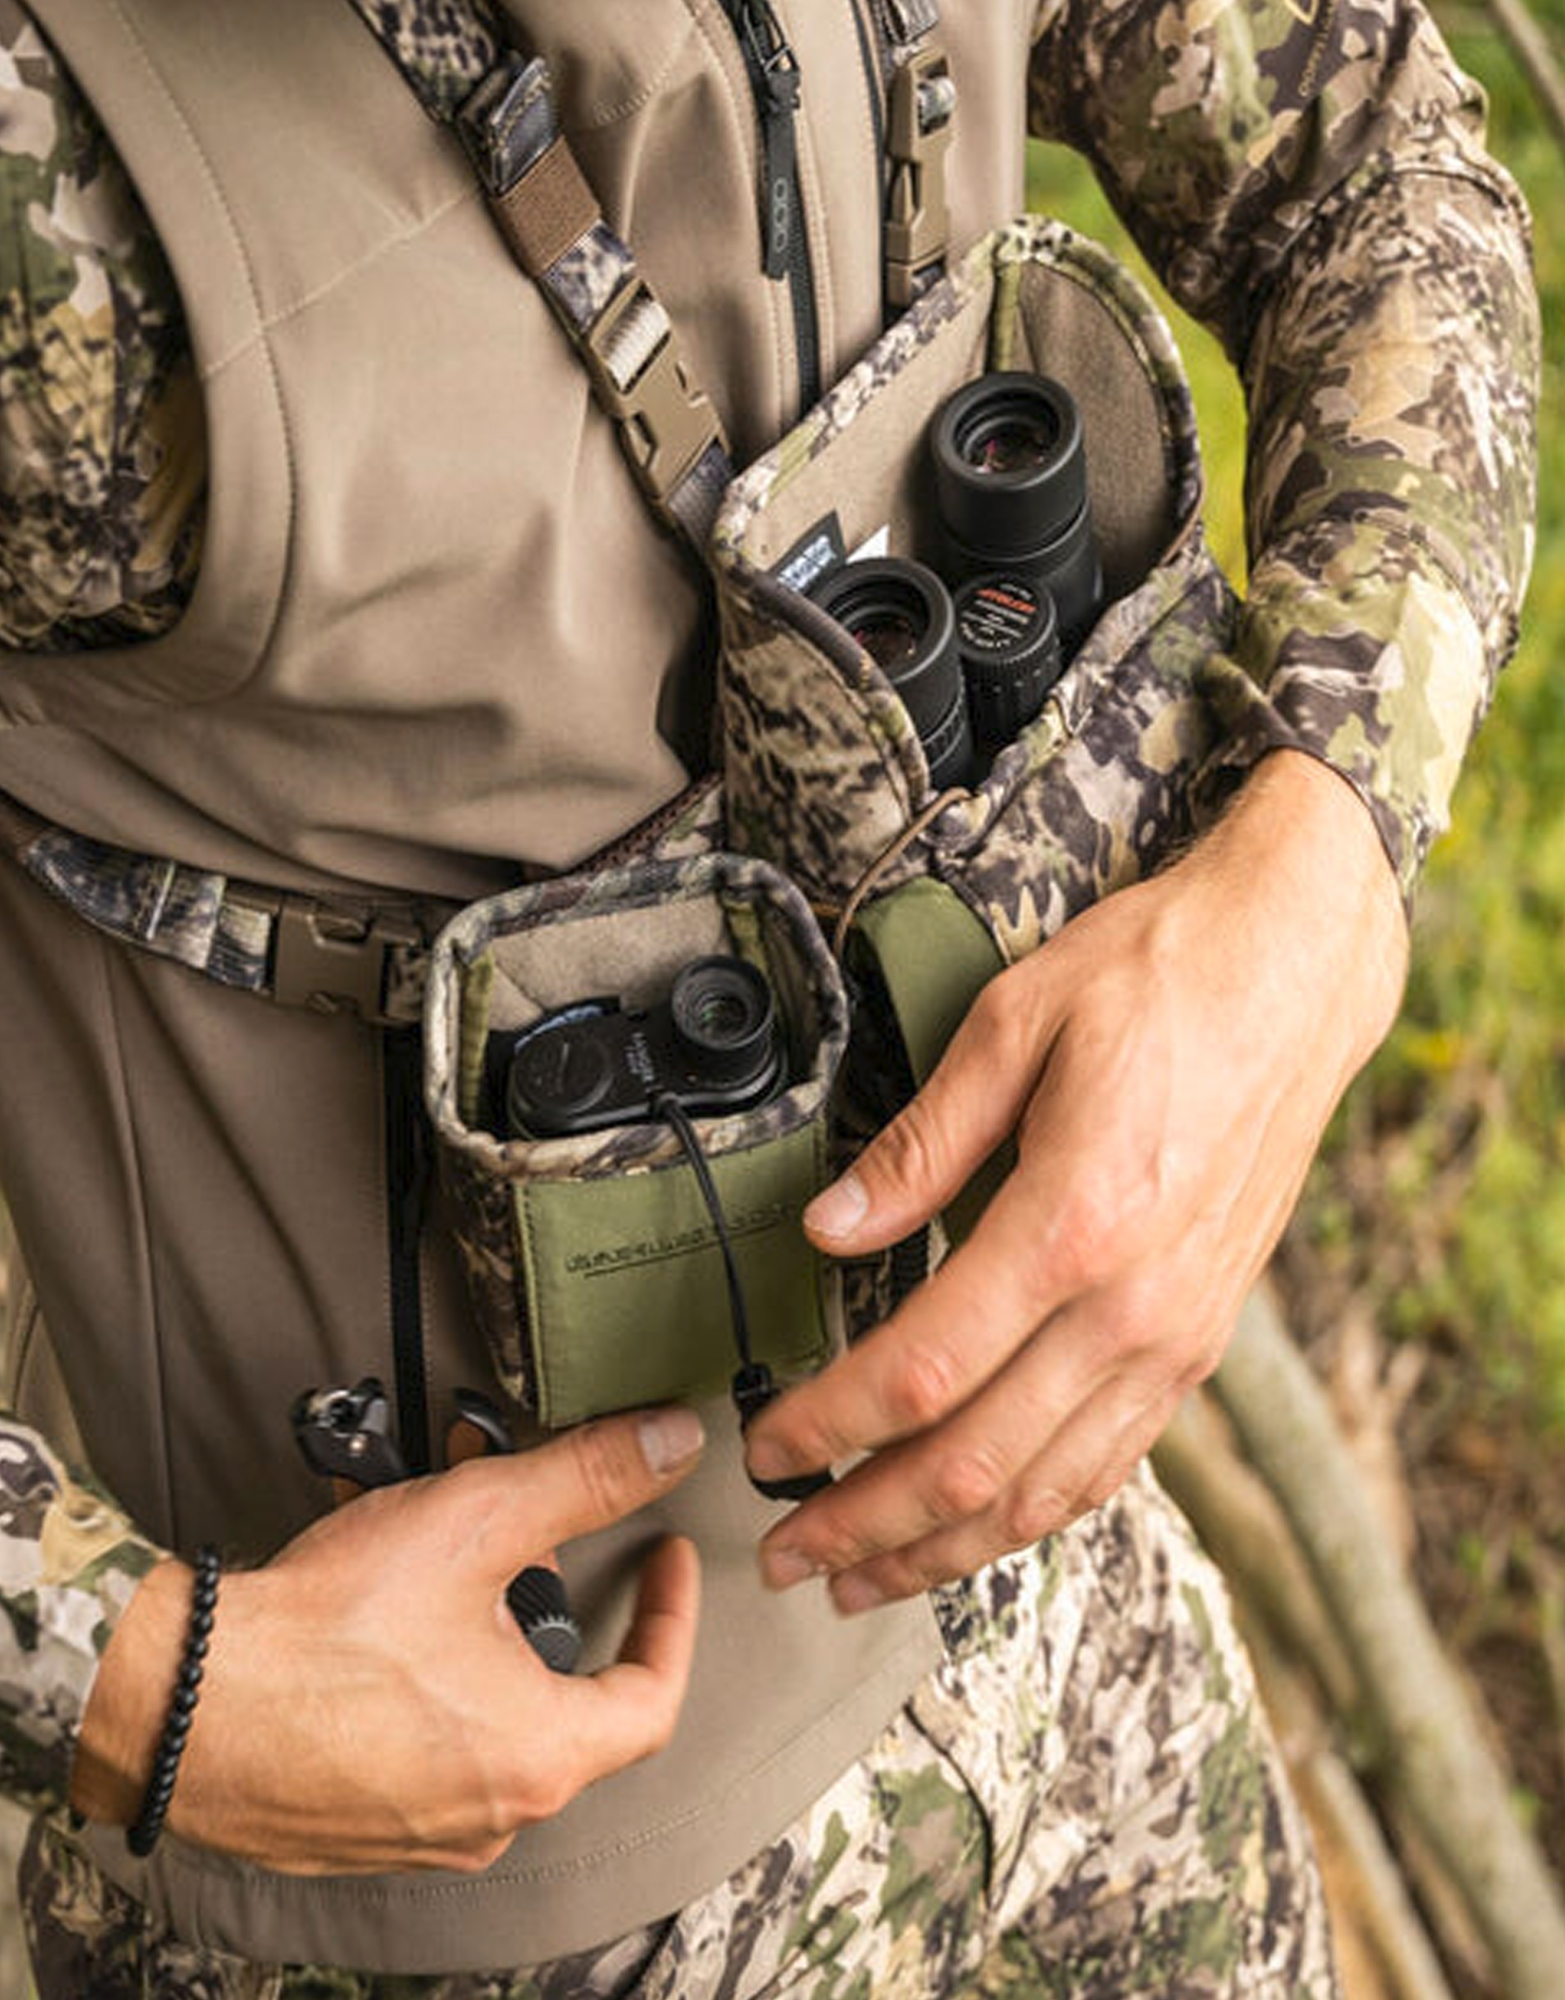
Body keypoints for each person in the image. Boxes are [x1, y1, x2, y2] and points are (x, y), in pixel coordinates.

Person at [0, 0, 1538, 1992]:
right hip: (474, 1898)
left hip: (1087, 1645)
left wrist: (1319, 873)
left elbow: (1372, 155)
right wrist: (139, 1679)